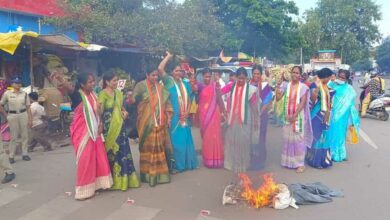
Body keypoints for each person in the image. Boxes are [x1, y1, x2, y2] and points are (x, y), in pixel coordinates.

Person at [66, 73, 113, 200]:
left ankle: (96, 185)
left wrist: (101, 123)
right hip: (83, 132)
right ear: (82, 85)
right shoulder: (78, 96)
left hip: (95, 130)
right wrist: (59, 79)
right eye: (90, 82)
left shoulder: (93, 95)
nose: (93, 84)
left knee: (97, 158)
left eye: (93, 81)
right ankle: (83, 191)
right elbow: (69, 89)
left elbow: (98, 111)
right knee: (85, 160)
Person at [157, 52, 198, 173]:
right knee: (175, 143)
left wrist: (187, 112)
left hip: (184, 117)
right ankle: (175, 166)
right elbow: (160, 69)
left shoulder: (185, 83)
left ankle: (187, 163)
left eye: (180, 71)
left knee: (186, 141)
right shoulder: (168, 82)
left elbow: (190, 98)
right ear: (171, 73)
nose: (178, 73)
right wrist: (168, 56)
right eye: (176, 71)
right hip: (173, 117)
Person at [98, 72, 140, 191]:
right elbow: (99, 112)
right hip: (109, 128)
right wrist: (98, 112)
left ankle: (126, 179)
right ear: (107, 82)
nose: (116, 83)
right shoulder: (102, 94)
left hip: (120, 127)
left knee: (123, 152)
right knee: (112, 153)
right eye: (114, 81)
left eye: (117, 80)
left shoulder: (118, 93)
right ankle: (113, 180)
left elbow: (121, 107)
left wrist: (124, 112)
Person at [133, 66, 172, 187]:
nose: (155, 77)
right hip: (146, 123)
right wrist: (130, 99)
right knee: (148, 149)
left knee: (159, 148)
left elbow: (167, 102)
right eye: (153, 75)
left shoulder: (160, 87)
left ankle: (160, 175)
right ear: (147, 75)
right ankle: (147, 175)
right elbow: (134, 100)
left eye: (156, 75)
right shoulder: (140, 86)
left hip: (160, 123)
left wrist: (169, 116)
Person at [221, 67, 258, 172]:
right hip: (233, 119)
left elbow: (254, 106)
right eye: (239, 78)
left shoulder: (251, 89)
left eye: (243, 78)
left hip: (245, 120)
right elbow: (219, 92)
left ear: (246, 78)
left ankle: (242, 165)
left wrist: (256, 119)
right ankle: (230, 164)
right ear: (236, 78)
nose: (241, 81)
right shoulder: (231, 86)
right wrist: (223, 111)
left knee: (243, 142)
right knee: (231, 141)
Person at [275, 66, 312, 173]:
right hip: (287, 117)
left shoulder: (303, 87)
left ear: (300, 75)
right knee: (287, 140)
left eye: (297, 73)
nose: (295, 74)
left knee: (298, 141)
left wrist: (295, 115)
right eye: (293, 72)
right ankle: (288, 161)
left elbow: (303, 102)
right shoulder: (286, 86)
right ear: (290, 74)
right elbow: (278, 98)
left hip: (298, 117)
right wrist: (278, 85)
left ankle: (300, 164)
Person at [326, 70, 360, 162]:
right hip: (331, 114)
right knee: (331, 133)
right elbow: (324, 93)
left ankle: (340, 154)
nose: (340, 78)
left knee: (340, 134)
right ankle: (331, 153)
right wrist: (330, 81)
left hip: (342, 116)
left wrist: (353, 118)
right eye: (339, 76)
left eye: (343, 78)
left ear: (346, 79)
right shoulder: (331, 84)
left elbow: (351, 104)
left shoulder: (349, 89)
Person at [305, 68, 334, 169]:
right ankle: (314, 160)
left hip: (327, 114)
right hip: (317, 114)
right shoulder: (315, 85)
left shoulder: (328, 86)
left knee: (324, 137)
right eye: (329, 76)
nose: (330, 78)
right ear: (326, 76)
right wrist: (317, 89)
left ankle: (323, 160)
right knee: (316, 136)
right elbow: (312, 100)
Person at [197, 68, 226, 168]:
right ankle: (208, 160)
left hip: (214, 114)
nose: (207, 78)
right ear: (202, 76)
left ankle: (217, 160)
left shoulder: (215, 86)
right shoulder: (199, 86)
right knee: (207, 138)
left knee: (215, 137)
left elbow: (219, 99)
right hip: (203, 114)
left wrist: (224, 112)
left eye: (209, 76)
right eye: (206, 76)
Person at [0, 76, 32, 164]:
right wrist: (6, 115)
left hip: (23, 114)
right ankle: (11, 156)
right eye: (16, 83)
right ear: (12, 84)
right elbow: (1, 104)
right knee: (13, 137)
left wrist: (30, 119)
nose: (18, 85)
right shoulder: (7, 93)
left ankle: (25, 154)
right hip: (12, 115)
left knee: (24, 135)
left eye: (19, 83)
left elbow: (28, 107)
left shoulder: (24, 94)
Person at [249, 65, 273, 170]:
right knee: (250, 138)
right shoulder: (248, 85)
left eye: (258, 73)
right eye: (254, 73)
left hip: (262, 116)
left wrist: (259, 114)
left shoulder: (264, 86)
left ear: (261, 74)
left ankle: (260, 161)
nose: (256, 75)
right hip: (250, 116)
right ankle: (251, 160)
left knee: (260, 138)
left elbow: (267, 102)